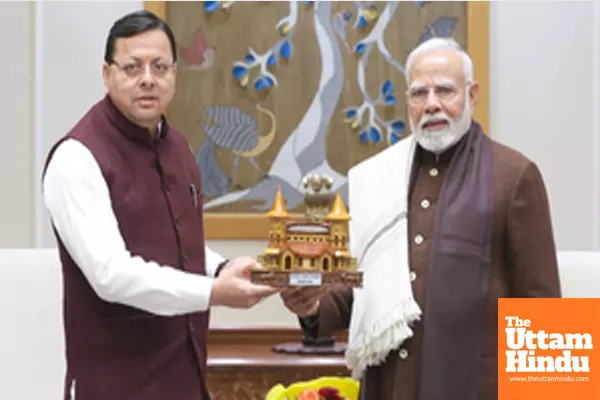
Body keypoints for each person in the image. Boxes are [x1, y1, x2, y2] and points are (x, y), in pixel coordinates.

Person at [281, 37, 561, 400]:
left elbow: (545, 309)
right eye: (419, 93)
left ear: (472, 95)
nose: (431, 104)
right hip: (391, 385)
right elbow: (359, 289)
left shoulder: (515, 175)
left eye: (445, 90)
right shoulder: (377, 178)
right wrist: (313, 305)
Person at [42, 10, 278, 400]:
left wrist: (222, 267)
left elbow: (173, 241)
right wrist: (214, 291)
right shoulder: (77, 158)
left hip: (184, 374)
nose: (147, 79)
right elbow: (111, 274)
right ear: (107, 74)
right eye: (132, 67)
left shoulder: (179, 146)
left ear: (174, 74)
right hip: (117, 385)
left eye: (159, 66)